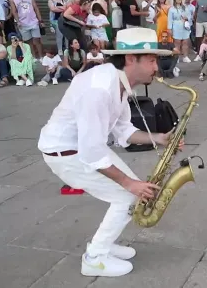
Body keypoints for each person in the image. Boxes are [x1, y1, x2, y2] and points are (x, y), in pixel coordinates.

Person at [38, 28, 183, 277]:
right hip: (66, 153)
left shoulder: (120, 82)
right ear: (130, 59)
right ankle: (94, 257)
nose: (156, 67)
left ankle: (103, 245)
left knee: (130, 194)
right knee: (127, 195)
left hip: (83, 148)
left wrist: (159, 138)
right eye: (151, 59)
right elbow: (91, 151)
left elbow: (124, 131)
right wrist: (129, 183)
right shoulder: (100, 89)